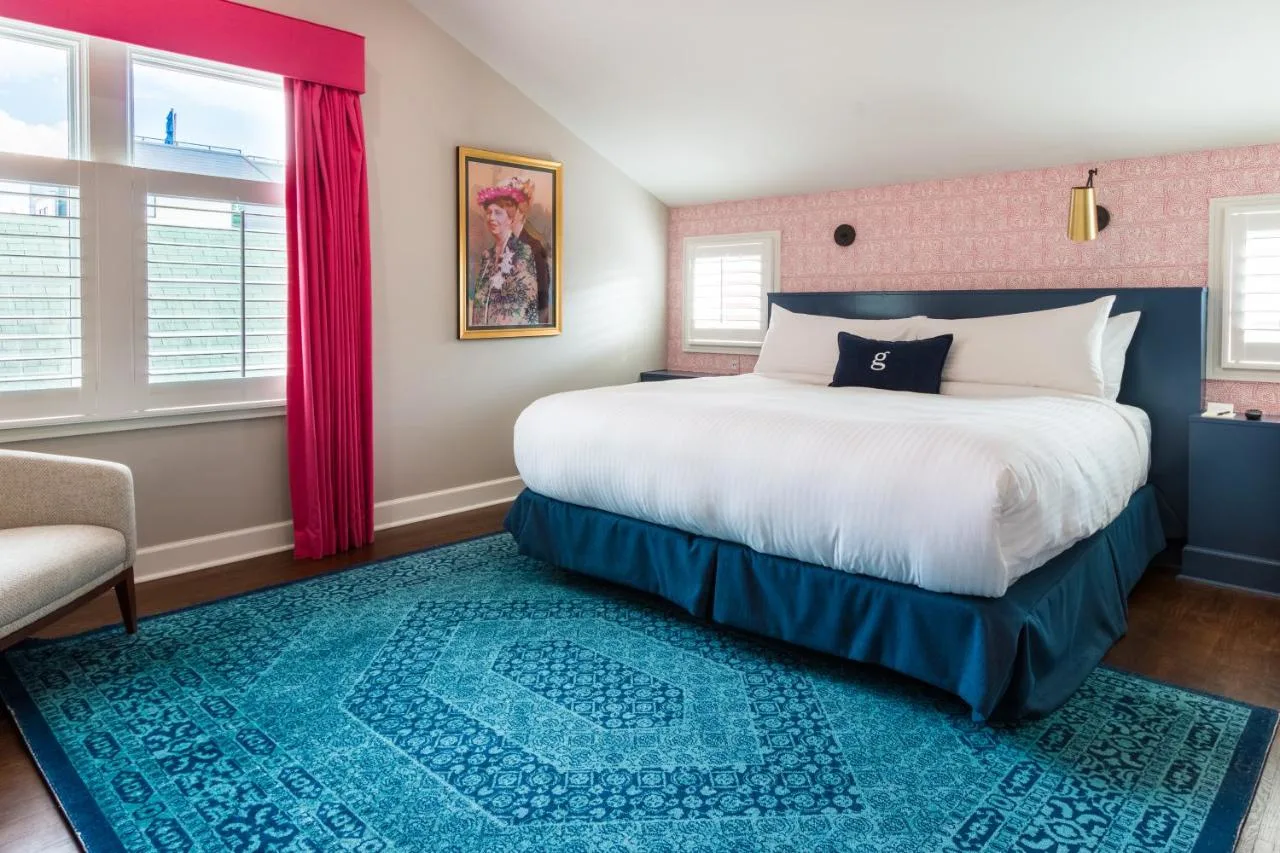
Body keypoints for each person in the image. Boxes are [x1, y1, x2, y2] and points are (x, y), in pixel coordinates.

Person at [471, 183, 539, 327]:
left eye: (498, 212)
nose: (491, 218)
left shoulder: (523, 252)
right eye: (489, 212)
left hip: (510, 338)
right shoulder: (487, 256)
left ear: (511, 219)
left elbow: (523, 304)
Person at [504, 177, 552, 323]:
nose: (505, 211)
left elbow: (542, 298)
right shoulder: (502, 244)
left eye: (510, 205)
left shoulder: (534, 247)